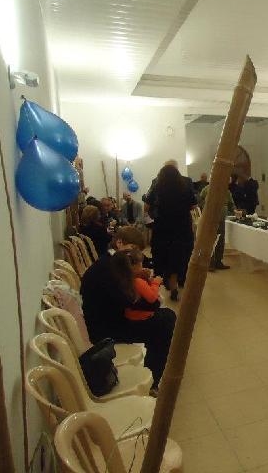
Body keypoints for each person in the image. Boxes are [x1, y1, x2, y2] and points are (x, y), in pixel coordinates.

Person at [80, 226, 176, 391]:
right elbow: (133, 301)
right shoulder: (108, 268)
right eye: (132, 248)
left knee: (163, 317)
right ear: (119, 243)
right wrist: (154, 298)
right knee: (165, 322)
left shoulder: (109, 262)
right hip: (106, 331)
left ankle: (153, 373)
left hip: (108, 320)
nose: (134, 254)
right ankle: (153, 379)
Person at [145, 164, 197, 301]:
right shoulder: (185, 187)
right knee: (178, 257)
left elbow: (147, 206)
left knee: (163, 256)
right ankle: (174, 284)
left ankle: (164, 283)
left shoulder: (157, 188)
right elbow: (193, 205)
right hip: (182, 228)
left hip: (162, 227)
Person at [199, 184, 235, 270]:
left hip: (220, 217)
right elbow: (200, 201)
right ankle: (210, 262)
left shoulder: (226, 191)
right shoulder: (206, 189)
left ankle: (218, 261)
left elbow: (231, 204)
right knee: (211, 240)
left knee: (220, 240)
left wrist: (234, 210)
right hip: (210, 217)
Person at [122, 248, 163, 322]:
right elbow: (152, 297)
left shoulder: (123, 278)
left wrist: (142, 275)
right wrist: (156, 282)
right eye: (141, 263)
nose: (142, 266)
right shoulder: (138, 282)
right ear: (134, 267)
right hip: (141, 317)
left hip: (130, 315)